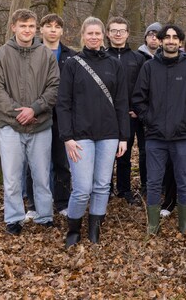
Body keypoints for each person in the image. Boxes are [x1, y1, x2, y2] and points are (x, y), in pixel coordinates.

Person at [58, 17, 129, 248]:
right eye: (90, 33)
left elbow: (121, 102)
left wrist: (124, 137)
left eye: (98, 33)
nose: (94, 37)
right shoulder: (72, 63)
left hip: (109, 135)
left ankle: (95, 229)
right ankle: (73, 229)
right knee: (82, 188)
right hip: (80, 136)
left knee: (101, 185)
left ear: (104, 35)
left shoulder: (114, 64)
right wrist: (67, 137)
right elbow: (63, 103)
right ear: (83, 35)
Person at [0, 9, 60, 235]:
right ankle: (14, 218)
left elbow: (54, 87)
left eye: (31, 26)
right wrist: (18, 113)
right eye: (22, 26)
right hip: (10, 126)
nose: (27, 30)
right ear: (13, 28)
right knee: (11, 176)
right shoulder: (0, 55)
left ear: (35, 28)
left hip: (41, 125)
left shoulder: (46, 55)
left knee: (41, 175)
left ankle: (45, 216)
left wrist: (35, 109)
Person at [132, 24, 186, 235]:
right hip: (155, 136)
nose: (171, 40)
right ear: (160, 40)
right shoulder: (149, 67)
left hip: (183, 135)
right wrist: (150, 120)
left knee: (184, 180)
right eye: (167, 37)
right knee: (154, 181)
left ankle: (183, 224)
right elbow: (138, 99)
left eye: (175, 37)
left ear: (180, 42)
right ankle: (153, 225)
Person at [24, 13, 74, 218]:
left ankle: (62, 202)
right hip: (37, 114)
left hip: (62, 117)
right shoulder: (29, 53)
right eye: (48, 26)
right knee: (34, 162)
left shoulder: (71, 56)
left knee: (62, 161)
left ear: (62, 31)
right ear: (41, 30)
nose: (53, 30)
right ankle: (34, 206)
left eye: (57, 26)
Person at [106, 17, 148, 205]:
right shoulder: (102, 57)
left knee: (125, 153)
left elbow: (143, 87)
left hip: (130, 115)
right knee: (106, 154)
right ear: (108, 33)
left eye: (121, 30)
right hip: (106, 115)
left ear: (128, 33)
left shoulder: (138, 59)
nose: (117, 34)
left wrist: (137, 109)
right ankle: (104, 188)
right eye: (114, 30)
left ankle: (124, 189)